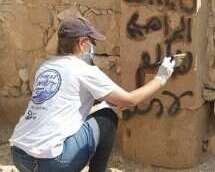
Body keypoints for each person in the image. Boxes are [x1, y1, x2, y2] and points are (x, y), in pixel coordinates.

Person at [9, 17, 175, 172]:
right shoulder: (84, 70)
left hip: (20, 155)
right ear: (82, 43)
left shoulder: (46, 67)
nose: (93, 48)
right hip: (54, 162)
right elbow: (129, 100)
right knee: (108, 117)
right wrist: (161, 78)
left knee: (96, 113)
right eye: (92, 42)